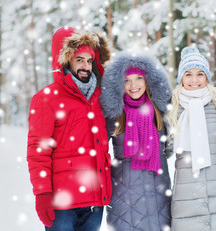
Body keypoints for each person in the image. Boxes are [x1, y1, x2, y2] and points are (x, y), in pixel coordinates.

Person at [27, 26, 112, 231]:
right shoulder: (46, 99)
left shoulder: (101, 98)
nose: (85, 66)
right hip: (62, 203)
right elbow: (38, 151)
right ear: (65, 60)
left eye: (89, 60)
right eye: (79, 59)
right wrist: (42, 193)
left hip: (95, 202)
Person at [100, 51, 173, 230]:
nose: (134, 84)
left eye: (139, 78)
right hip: (125, 199)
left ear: (148, 80)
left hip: (158, 194)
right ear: (119, 84)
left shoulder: (160, 111)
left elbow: (171, 147)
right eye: (127, 80)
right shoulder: (115, 114)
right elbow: (98, 148)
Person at [168, 46, 216, 231]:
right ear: (181, 77)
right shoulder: (173, 106)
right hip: (187, 198)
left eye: (200, 74)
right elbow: (164, 149)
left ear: (207, 76)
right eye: (188, 74)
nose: (194, 80)